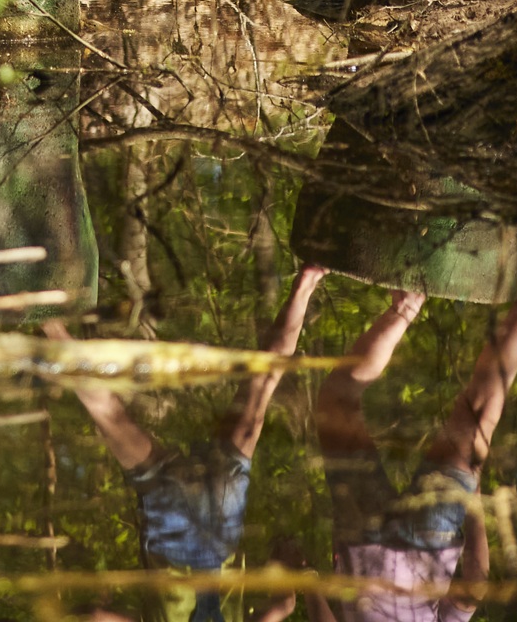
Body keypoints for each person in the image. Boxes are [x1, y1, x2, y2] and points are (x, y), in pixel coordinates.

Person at [58, 265, 330, 622]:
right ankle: (47, 320)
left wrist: (290, 565)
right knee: (108, 413)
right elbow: (95, 617)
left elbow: (283, 606)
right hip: (172, 530)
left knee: (263, 382)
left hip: (222, 520)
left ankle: (308, 280)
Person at [309, 259, 517, 622]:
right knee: (337, 399)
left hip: (425, 544)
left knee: (475, 416)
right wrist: (305, 580)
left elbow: (474, 588)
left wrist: (472, 499)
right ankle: (407, 305)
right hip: (363, 542)